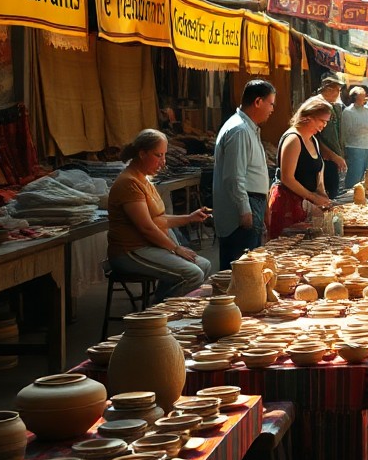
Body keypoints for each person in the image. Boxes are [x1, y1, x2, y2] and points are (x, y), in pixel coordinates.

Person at [107, 129, 212, 301]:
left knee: (204, 265)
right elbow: (147, 227)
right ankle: (159, 315)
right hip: (130, 251)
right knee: (192, 274)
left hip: (148, 247)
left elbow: (158, 220)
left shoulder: (144, 180)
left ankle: (163, 304)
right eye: (158, 155)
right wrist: (175, 248)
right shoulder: (128, 183)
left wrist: (189, 217)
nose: (163, 162)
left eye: (164, 155)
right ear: (142, 153)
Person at [213, 79, 275, 270]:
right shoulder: (239, 130)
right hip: (245, 206)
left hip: (253, 202)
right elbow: (234, 176)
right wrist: (244, 209)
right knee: (241, 269)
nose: (272, 109)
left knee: (249, 267)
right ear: (258, 102)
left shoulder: (248, 127)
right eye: (270, 103)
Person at [268, 97, 334, 238]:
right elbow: (287, 178)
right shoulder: (293, 139)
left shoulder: (312, 139)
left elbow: (318, 172)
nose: (324, 126)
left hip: (305, 204)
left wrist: (323, 196)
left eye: (326, 122)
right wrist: (313, 197)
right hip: (288, 204)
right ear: (308, 117)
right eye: (322, 121)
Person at [314, 76, 347, 199]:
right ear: (327, 89)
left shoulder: (333, 106)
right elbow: (315, 138)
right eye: (337, 90)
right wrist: (332, 155)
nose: (339, 93)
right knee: (327, 195)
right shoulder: (318, 105)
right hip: (324, 159)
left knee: (333, 193)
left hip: (333, 157)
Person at [342, 87, 368, 190]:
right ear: (354, 97)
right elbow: (349, 131)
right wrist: (364, 129)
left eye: (364, 96)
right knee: (355, 174)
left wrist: (363, 129)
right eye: (361, 97)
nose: (364, 99)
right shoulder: (348, 112)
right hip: (355, 147)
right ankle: (350, 194)